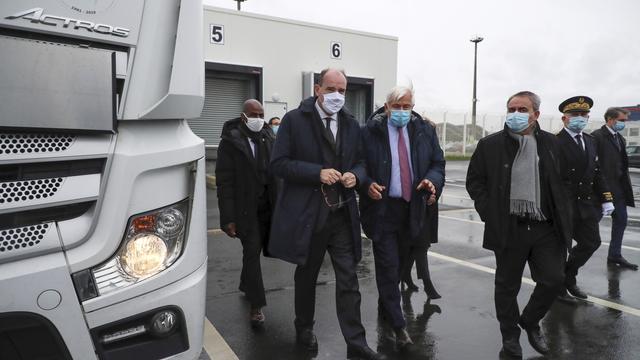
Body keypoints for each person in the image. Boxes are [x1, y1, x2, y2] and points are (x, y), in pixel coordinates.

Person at [268, 68, 384, 360]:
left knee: (349, 279)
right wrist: (316, 173)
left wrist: (355, 177)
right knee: (306, 276)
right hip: (310, 216)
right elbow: (279, 164)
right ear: (317, 89)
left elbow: (360, 162)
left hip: (342, 214)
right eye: (331, 89)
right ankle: (304, 327)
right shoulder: (295, 120)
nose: (337, 96)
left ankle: (356, 342)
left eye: (342, 91)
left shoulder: (351, 124)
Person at [466, 91, 571, 358]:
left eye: (522, 109)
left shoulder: (552, 144)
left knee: (554, 279)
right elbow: (475, 182)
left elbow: (563, 181)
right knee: (506, 286)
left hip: (545, 226)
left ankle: (531, 319)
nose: (515, 114)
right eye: (511, 108)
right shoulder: (490, 145)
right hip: (509, 226)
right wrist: (490, 211)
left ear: (535, 114)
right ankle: (510, 338)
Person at [359, 85, 445, 351]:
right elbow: (358, 163)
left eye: (406, 106)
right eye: (396, 107)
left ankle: (388, 305)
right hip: (383, 209)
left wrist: (432, 182)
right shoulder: (369, 132)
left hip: (414, 209)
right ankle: (399, 328)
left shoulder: (424, 131)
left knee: (399, 267)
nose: (401, 111)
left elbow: (437, 164)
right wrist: (367, 183)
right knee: (387, 266)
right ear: (386, 108)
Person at [215, 99, 277, 328]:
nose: (258, 118)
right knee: (252, 252)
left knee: (255, 251)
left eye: (261, 114)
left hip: (267, 208)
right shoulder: (230, 143)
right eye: (254, 114)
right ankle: (256, 305)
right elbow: (224, 183)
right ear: (243, 117)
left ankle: (245, 284)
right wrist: (228, 218)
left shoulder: (269, 137)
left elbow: (276, 173)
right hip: (245, 211)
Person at [555, 96, 614, 302]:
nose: (579, 118)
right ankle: (558, 287)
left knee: (591, 242)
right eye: (574, 115)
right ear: (564, 119)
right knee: (560, 248)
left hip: (585, 204)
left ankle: (568, 278)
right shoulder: (554, 142)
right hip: (562, 206)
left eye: (583, 114)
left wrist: (607, 198)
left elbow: (597, 172)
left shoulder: (590, 141)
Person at [400, 115, 442, 301]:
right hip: (408, 204)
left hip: (425, 203)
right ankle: (426, 283)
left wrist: (434, 190)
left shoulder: (431, 147)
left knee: (420, 245)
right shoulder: (406, 145)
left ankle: (409, 277)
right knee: (414, 246)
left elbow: (439, 171)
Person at [592, 107, 638, 270]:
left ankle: (615, 255)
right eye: (622, 120)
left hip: (618, 190)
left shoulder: (620, 138)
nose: (624, 124)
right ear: (611, 119)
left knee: (621, 221)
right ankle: (570, 259)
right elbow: (593, 165)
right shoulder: (597, 137)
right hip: (601, 191)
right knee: (589, 227)